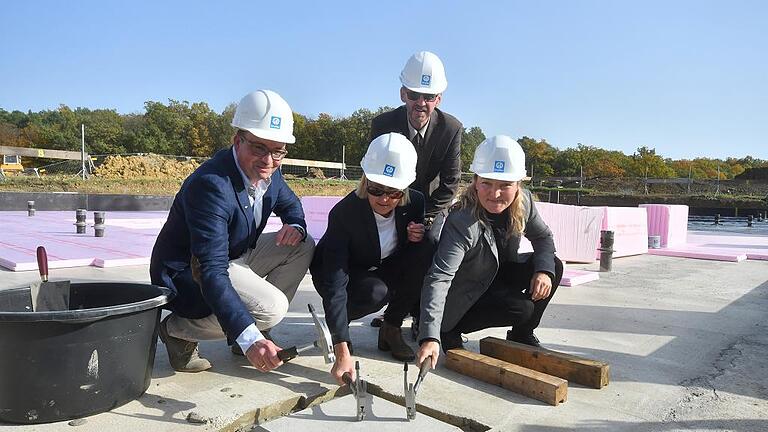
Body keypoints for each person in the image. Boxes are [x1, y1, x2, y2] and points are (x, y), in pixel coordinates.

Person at [150, 89, 315, 373]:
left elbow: (292, 205)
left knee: (302, 245)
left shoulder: (270, 174)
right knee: (272, 307)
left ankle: (245, 329)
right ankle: (179, 330)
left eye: (278, 151)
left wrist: (296, 225)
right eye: (259, 148)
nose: (268, 160)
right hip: (189, 272)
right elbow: (211, 270)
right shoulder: (212, 185)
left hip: (234, 254)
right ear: (237, 141)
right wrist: (250, 337)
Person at [415, 135, 564, 370]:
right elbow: (440, 277)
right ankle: (450, 328)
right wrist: (429, 336)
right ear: (475, 181)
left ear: (518, 185)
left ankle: (521, 335)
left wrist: (544, 271)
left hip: (498, 274)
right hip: (467, 290)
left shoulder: (524, 202)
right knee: (522, 308)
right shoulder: (462, 221)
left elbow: (543, 237)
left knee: (553, 265)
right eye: (487, 183)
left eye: (505, 185)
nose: (495, 194)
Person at [310, 133, 432, 384]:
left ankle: (391, 327)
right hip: (342, 272)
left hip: (380, 264)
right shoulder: (344, 213)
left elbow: (408, 256)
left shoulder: (415, 202)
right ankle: (338, 327)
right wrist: (341, 348)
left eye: (394, 192)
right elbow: (335, 281)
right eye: (376, 190)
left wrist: (413, 238)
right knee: (376, 292)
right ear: (365, 181)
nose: (385, 199)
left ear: (405, 188)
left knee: (428, 245)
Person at [369, 50, 463, 238]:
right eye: (414, 95)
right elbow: (372, 176)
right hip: (389, 202)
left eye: (428, 96)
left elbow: (450, 183)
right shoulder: (382, 125)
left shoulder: (451, 129)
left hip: (431, 207)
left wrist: (423, 218)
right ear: (403, 94)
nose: (421, 102)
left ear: (438, 99)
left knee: (429, 243)